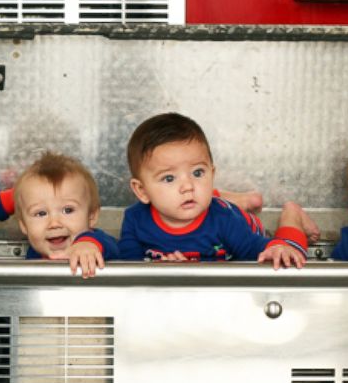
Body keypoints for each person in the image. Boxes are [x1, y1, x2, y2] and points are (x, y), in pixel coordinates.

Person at [119, 112, 313, 268]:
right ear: (142, 191)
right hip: (212, 205)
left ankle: (292, 215)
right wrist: (164, 270)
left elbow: (255, 248)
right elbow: (128, 265)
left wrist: (277, 247)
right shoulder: (136, 219)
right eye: (169, 178)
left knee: (289, 257)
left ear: (212, 174)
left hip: (247, 228)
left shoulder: (224, 220)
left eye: (198, 173)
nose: (187, 186)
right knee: (198, 196)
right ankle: (242, 200)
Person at [14, 151, 119, 278]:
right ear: (24, 225)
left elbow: (116, 249)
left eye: (67, 210)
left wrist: (89, 245)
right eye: (41, 213)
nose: (54, 223)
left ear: (91, 215)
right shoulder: (34, 254)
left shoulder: (96, 241)